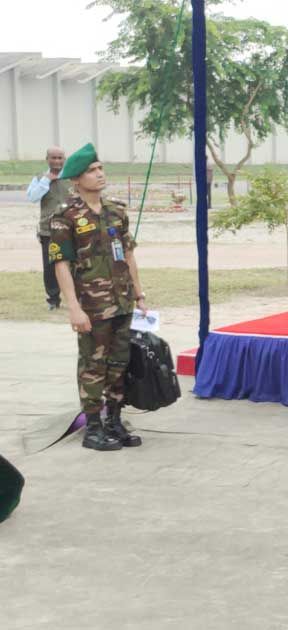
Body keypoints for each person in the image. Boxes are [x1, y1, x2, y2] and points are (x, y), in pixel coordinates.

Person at [47, 143, 147, 452]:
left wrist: (139, 294)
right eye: (92, 170)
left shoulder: (116, 211)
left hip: (122, 301)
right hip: (91, 306)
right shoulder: (66, 217)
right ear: (76, 179)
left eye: (101, 168)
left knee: (119, 363)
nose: (99, 174)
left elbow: (128, 254)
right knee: (93, 365)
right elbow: (61, 265)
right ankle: (93, 428)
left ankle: (114, 421)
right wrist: (74, 309)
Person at [27, 146, 69, 310]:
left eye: (60, 158)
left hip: (71, 228)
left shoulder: (72, 176)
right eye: (53, 158)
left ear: (64, 159)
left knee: (75, 264)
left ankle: (78, 297)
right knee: (50, 266)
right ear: (47, 159)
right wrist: (46, 180)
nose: (57, 161)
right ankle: (53, 299)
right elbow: (32, 197)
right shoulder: (39, 178)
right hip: (48, 229)